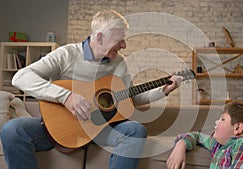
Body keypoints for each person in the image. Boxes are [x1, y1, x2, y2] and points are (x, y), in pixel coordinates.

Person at [0, 10, 181, 169]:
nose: (124, 45)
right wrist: (66, 96)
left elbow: (130, 96)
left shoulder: (119, 63)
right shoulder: (67, 54)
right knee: (12, 130)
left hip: (102, 129)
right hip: (62, 128)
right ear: (100, 37)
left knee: (135, 130)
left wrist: (162, 91)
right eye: (120, 39)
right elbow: (20, 77)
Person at [166, 102, 243, 169]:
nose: (216, 122)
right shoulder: (220, 147)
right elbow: (198, 136)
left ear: (238, 128)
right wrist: (181, 145)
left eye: (223, 119)